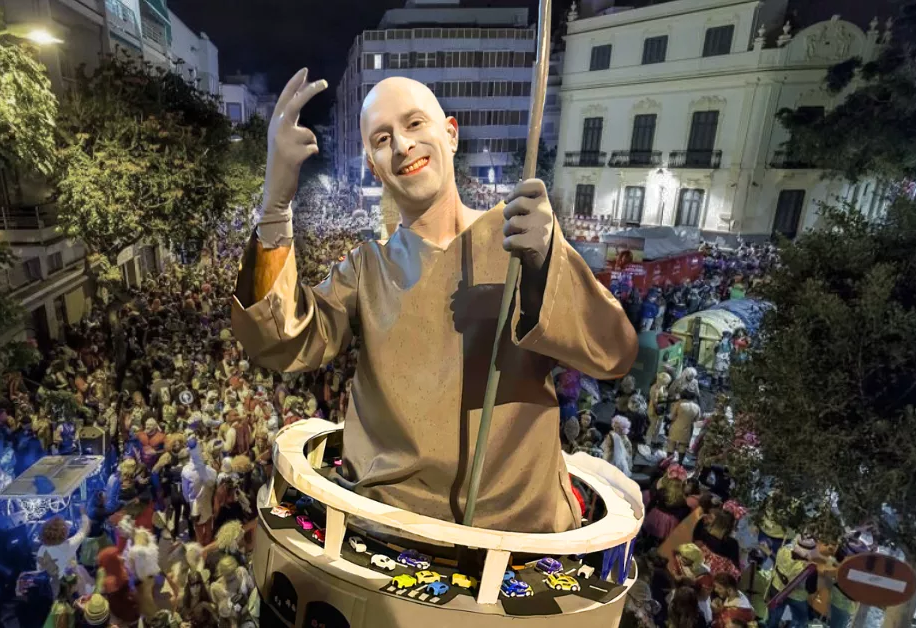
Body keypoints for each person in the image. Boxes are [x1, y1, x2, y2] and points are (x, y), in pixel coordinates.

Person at [232, 71, 637, 533]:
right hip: (387, 524)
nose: (403, 145)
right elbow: (281, 339)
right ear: (373, 166)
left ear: (451, 134)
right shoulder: (367, 269)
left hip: (519, 529)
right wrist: (275, 205)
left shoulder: (522, 240)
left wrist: (546, 266)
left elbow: (614, 354)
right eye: (382, 139)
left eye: (414, 124)